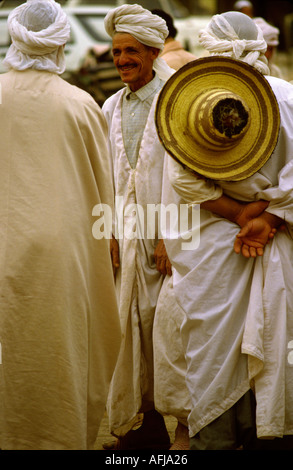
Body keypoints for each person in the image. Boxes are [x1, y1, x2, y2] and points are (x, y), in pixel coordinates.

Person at [158, 11, 293, 450]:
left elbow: (184, 182)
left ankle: (217, 439)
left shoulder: (193, 100)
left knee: (212, 349)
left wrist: (241, 215)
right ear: (260, 46)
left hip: (214, 247)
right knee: (276, 341)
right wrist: (267, 215)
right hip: (276, 241)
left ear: (211, 50)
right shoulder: (288, 98)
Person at [0, 0, 121, 450]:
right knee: (63, 346)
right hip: (65, 250)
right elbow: (103, 181)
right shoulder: (79, 102)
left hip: (3, 241)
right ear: (61, 42)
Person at [101, 4, 190, 450]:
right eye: (116, 52)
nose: (121, 60)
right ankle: (141, 424)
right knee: (127, 326)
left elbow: (188, 173)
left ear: (153, 51)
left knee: (169, 330)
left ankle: (185, 429)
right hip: (126, 237)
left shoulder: (178, 96)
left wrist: (170, 238)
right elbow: (104, 174)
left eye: (130, 51)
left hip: (169, 238)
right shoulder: (110, 105)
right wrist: (111, 233)